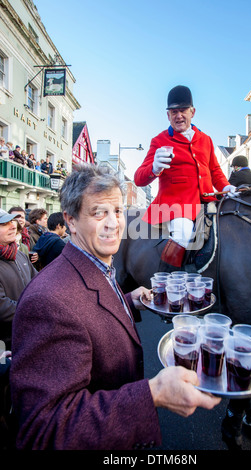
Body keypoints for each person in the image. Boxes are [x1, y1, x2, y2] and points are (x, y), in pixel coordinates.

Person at [10, 164, 221, 450]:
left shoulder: (100, 268)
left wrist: (128, 299)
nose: (113, 223)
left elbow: (91, 304)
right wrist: (153, 393)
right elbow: (44, 430)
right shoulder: (48, 301)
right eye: (99, 213)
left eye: (117, 211)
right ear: (71, 221)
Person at [134, 85, 238, 270]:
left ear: (193, 112)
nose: (178, 115)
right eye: (174, 111)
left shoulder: (205, 139)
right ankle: (167, 280)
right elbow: (139, 179)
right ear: (168, 115)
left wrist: (226, 186)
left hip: (207, 201)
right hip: (175, 205)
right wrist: (154, 168)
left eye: (182, 110)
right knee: (183, 232)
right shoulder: (159, 141)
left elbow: (214, 170)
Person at [0, 209, 37, 351]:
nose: (13, 226)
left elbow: (38, 282)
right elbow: (3, 308)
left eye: (12, 221)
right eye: (4, 224)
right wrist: (33, 309)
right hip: (4, 344)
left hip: (25, 336)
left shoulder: (20, 255)